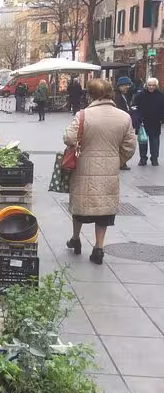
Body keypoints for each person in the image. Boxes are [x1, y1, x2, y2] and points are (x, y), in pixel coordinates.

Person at [64, 79, 136, 265]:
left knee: (80, 205)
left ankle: (76, 239)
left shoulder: (83, 115)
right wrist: (116, 160)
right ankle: (99, 247)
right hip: (109, 169)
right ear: (110, 93)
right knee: (104, 211)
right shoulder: (124, 117)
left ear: (90, 94)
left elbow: (68, 138)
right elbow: (129, 146)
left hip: (83, 167)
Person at [132, 78, 164, 166]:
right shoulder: (140, 95)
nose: (151, 87)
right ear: (146, 85)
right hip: (143, 123)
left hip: (155, 122)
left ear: (156, 86)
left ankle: (154, 159)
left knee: (155, 142)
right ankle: (143, 159)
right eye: (150, 85)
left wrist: (162, 119)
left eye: (153, 85)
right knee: (143, 141)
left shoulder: (161, 95)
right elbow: (134, 107)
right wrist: (137, 119)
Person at [114, 77, 134, 170]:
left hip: (122, 122)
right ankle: (121, 163)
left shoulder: (122, 95)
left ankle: (122, 162)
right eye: (126, 85)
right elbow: (118, 110)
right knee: (121, 144)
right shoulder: (117, 96)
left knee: (122, 143)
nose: (128, 87)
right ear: (120, 86)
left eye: (128, 85)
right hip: (119, 123)